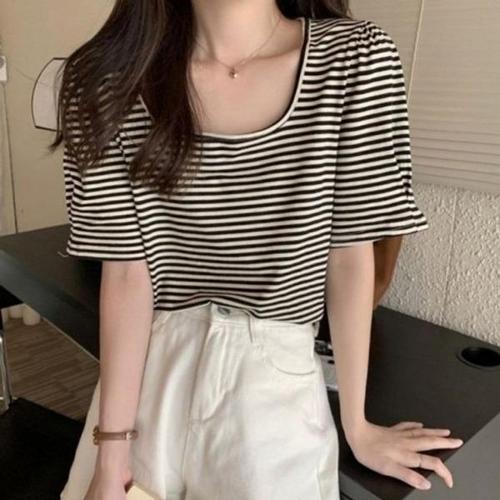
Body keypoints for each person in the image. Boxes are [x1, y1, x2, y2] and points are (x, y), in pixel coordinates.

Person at [53, 1, 464, 499]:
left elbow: (350, 255)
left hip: (273, 395)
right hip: (148, 383)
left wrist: (356, 426)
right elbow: (125, 273)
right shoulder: (104, 80)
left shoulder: (354, 59)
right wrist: (111, 458)